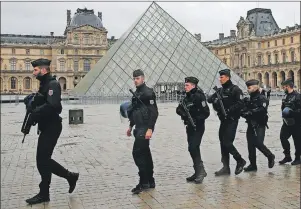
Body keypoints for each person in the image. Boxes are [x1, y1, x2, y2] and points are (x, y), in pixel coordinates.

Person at [24, 58, 79, 205]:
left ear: (43, 70)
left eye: (35, 70)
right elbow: (44, 103)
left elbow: (53, 105)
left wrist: (36, 113)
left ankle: (45, 192)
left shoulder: (53, 84)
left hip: (52, 127)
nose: (33, 72)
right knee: (43, 160)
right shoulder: (45, 83)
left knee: (42, 160)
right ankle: (68, 177)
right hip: (46, 126)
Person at [207, 69, 246, 176]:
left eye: (222, 77)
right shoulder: (219, 91)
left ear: (228, 77)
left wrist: (229, 110)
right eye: (220, 77)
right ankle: (226, 167)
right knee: (222, 143)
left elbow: (240, 103)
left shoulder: (235, 90)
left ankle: (240, 160)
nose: (220, 79)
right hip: (223, 120)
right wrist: (215, 99)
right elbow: (209, 99)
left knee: (227, 142)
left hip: (232, 120)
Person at [126, 69, 159, 194]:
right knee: (145, 153)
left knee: (137, 153)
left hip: (145, 127)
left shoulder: (148, 93)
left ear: (143, 78)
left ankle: (143, 182)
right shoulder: (137, 93)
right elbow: (135, 111)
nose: (135, 80)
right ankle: (150, 180)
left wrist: (150, 129)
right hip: (138, 127)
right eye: (134, 78)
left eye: (138, 78)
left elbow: (154, 112)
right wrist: (130, 126)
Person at [176, 77, 210, 184]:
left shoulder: (199, 96)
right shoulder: (186, 97)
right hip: (189, 126)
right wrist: (183, 113)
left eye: (187, 85)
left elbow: (206, 112)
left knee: (193, 147)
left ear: (193, 86)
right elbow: (178, 109)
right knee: (192, 148)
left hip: (198, 126)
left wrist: (196, 118)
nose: (185, 87)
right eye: (185, 85)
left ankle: (200, 171)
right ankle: (198, 171)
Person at [241, 79, 275, 171]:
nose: (247, 89)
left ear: (255, 87)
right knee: (250, 145)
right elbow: (245, 110)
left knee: (258, 143)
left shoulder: (262, 98)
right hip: (250, 124)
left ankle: (270, 155)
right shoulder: (249, 98)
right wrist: (243, 111)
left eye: (249, 87)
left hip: (259, 124)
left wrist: (250, 112)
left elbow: (262, 110)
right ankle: (253, 165)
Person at [279, 78, 301, 165]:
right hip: (287, 122)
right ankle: (287, 156)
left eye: (284, 87)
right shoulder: (286, 96)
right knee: (283, 137)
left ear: (288, 87)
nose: (283, 89)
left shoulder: (298, 96)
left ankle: (298, 158)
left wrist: (293, 113)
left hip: (297, 122)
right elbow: (283, 107)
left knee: (297, 140)